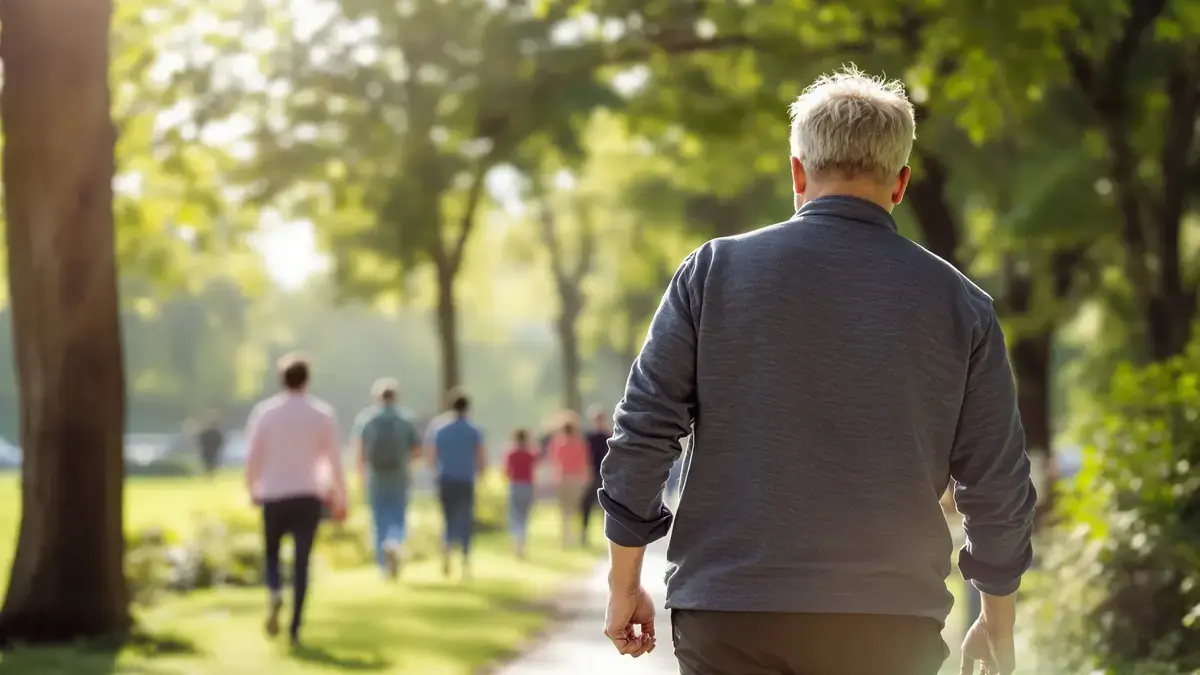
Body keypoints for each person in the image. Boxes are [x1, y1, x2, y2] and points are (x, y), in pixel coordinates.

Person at [597, 67, 1037, 675]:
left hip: (730, 612)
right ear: (901, 184)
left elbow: (642, 434)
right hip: (888, 623)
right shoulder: (962, 306)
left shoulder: (713, 274)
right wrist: (996, 621)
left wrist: (626, 581)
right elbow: (998, 486)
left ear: (798, 173)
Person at [244, 353, 346, 647]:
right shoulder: (322, 414)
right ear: (307, 379)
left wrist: (252, 487)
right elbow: (333, 460)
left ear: (281, 379)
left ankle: (275, 589)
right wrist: (339, 496)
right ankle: (295, 629)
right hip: (308, 495)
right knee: (302, 563)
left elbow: (254, 456)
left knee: (272, 554)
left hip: (274, 494)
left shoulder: (265, 413)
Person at [351, 377, 421, 580]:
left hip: (376, 476)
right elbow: (416, 452)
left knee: (379, 518)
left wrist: (360, 474)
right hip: (399, 476)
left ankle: (383, 565)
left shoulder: (367, 419)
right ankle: (395, 542)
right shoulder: (405, 420)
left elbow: (360, 452)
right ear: (396, 397)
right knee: (398, 515)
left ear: (377, 397)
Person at [429, 388, 485, 579]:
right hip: (466, 480)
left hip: (446, 479)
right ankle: (465, 560)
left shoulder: (440, 429)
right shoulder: (474, 430)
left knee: (447, 518)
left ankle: (446, 555)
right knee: (465, 520)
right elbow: (481, 458)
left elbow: (432, 457)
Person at [546, 414, 590, 548]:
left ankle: (566, 538)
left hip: (562, 479)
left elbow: (552, 461)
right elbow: (585, 462)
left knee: (564, 510)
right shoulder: (580, 442)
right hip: (577, 479)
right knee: (576, 509)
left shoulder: (557, 442)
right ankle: (578, 536)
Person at [504, 428, 538, 558]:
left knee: (514, 515)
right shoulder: (530, 454)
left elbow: (506, 471)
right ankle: (522, 543)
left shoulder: (511, 453)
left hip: (514, 486)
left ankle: (516, 543)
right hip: (527, 486)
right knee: (524, 516)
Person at [581, 406, 611, 545]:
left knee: (605, 505)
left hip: (605, 474)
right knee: (586, 504)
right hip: (590, 473)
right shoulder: (588, 437)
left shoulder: (608, 436)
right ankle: (584, 532)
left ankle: (607, 533)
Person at [197, 412, 225, 478]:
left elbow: (220, 441)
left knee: (212, 463)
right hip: (208, 450)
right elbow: (201, 440)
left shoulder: (216, 433)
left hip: (213, 450)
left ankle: (211, 475)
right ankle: (208, 475)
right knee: (207, 462)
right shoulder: (206, 432)